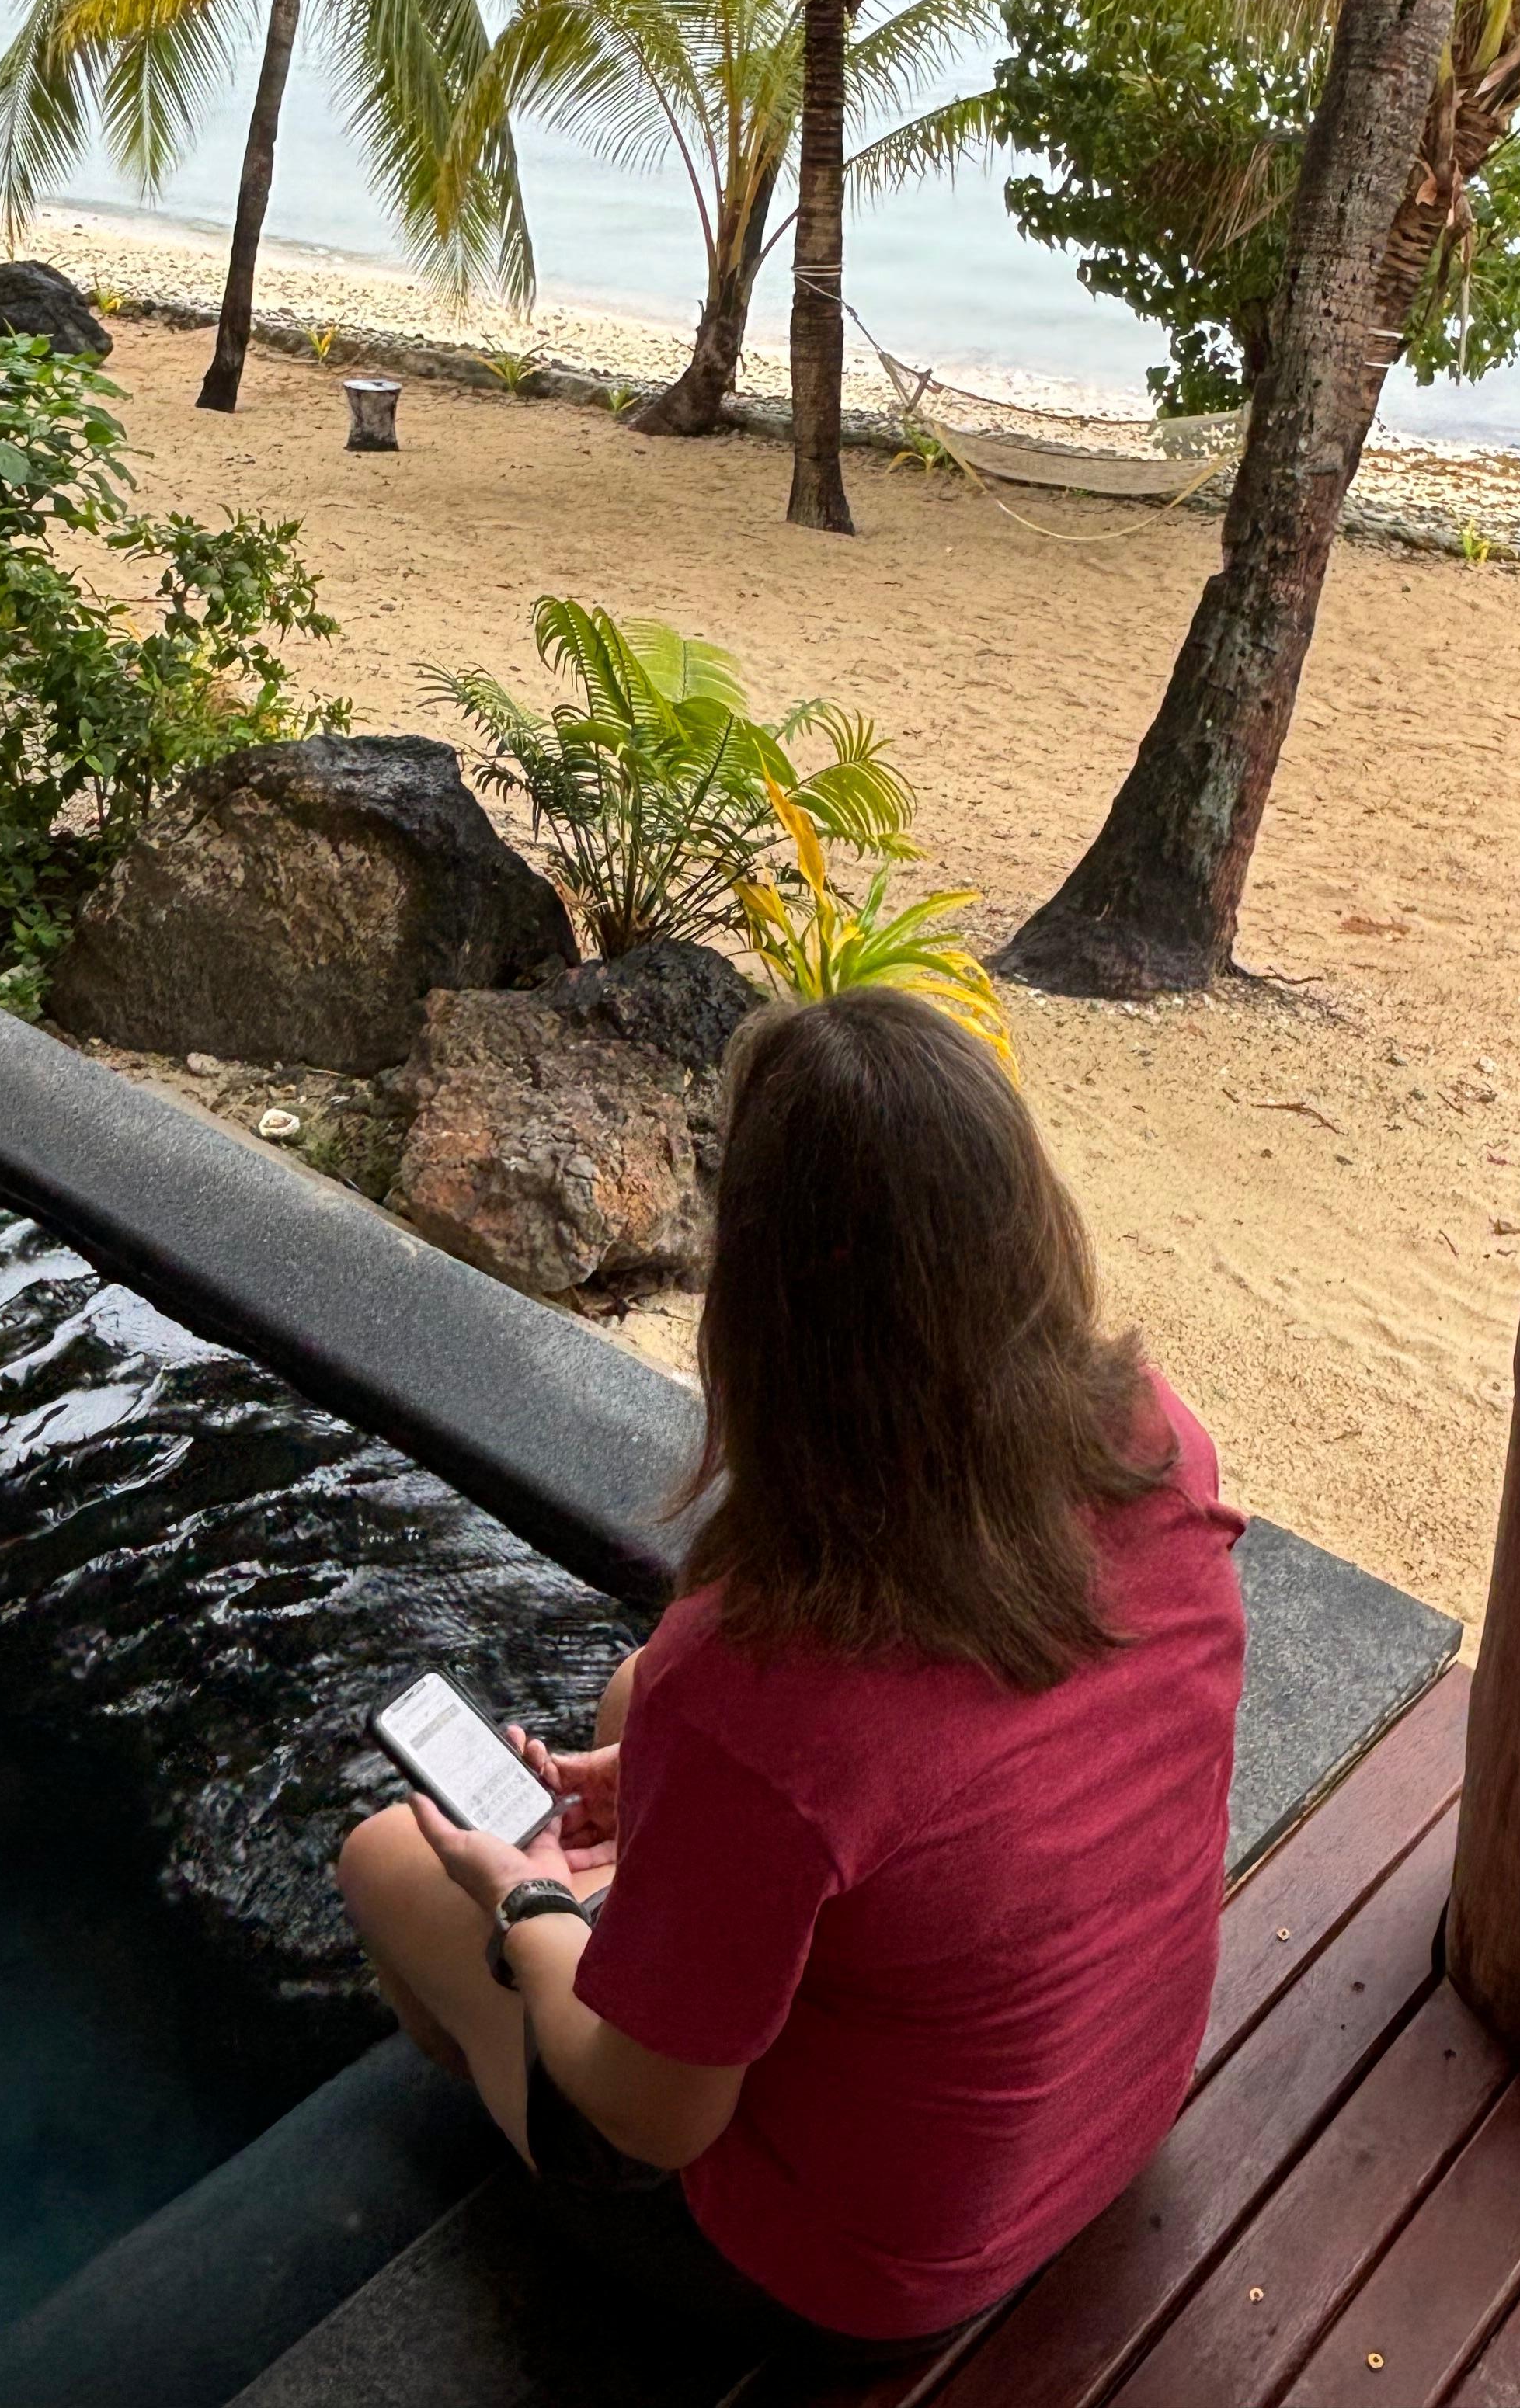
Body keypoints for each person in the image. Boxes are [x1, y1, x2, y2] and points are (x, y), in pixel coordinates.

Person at [336, 987, 1247, 2361]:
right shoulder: (1150, 1440)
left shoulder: (765, 1680)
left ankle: (508, 2164)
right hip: (1113, 2105)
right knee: (639, 1701)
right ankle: (646, 1928)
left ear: (765, 1313)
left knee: (391, 1861)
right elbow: (958, 1764)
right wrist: (657, 1787)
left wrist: (531, 1911)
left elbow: (657, 2117)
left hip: (867, 2274)